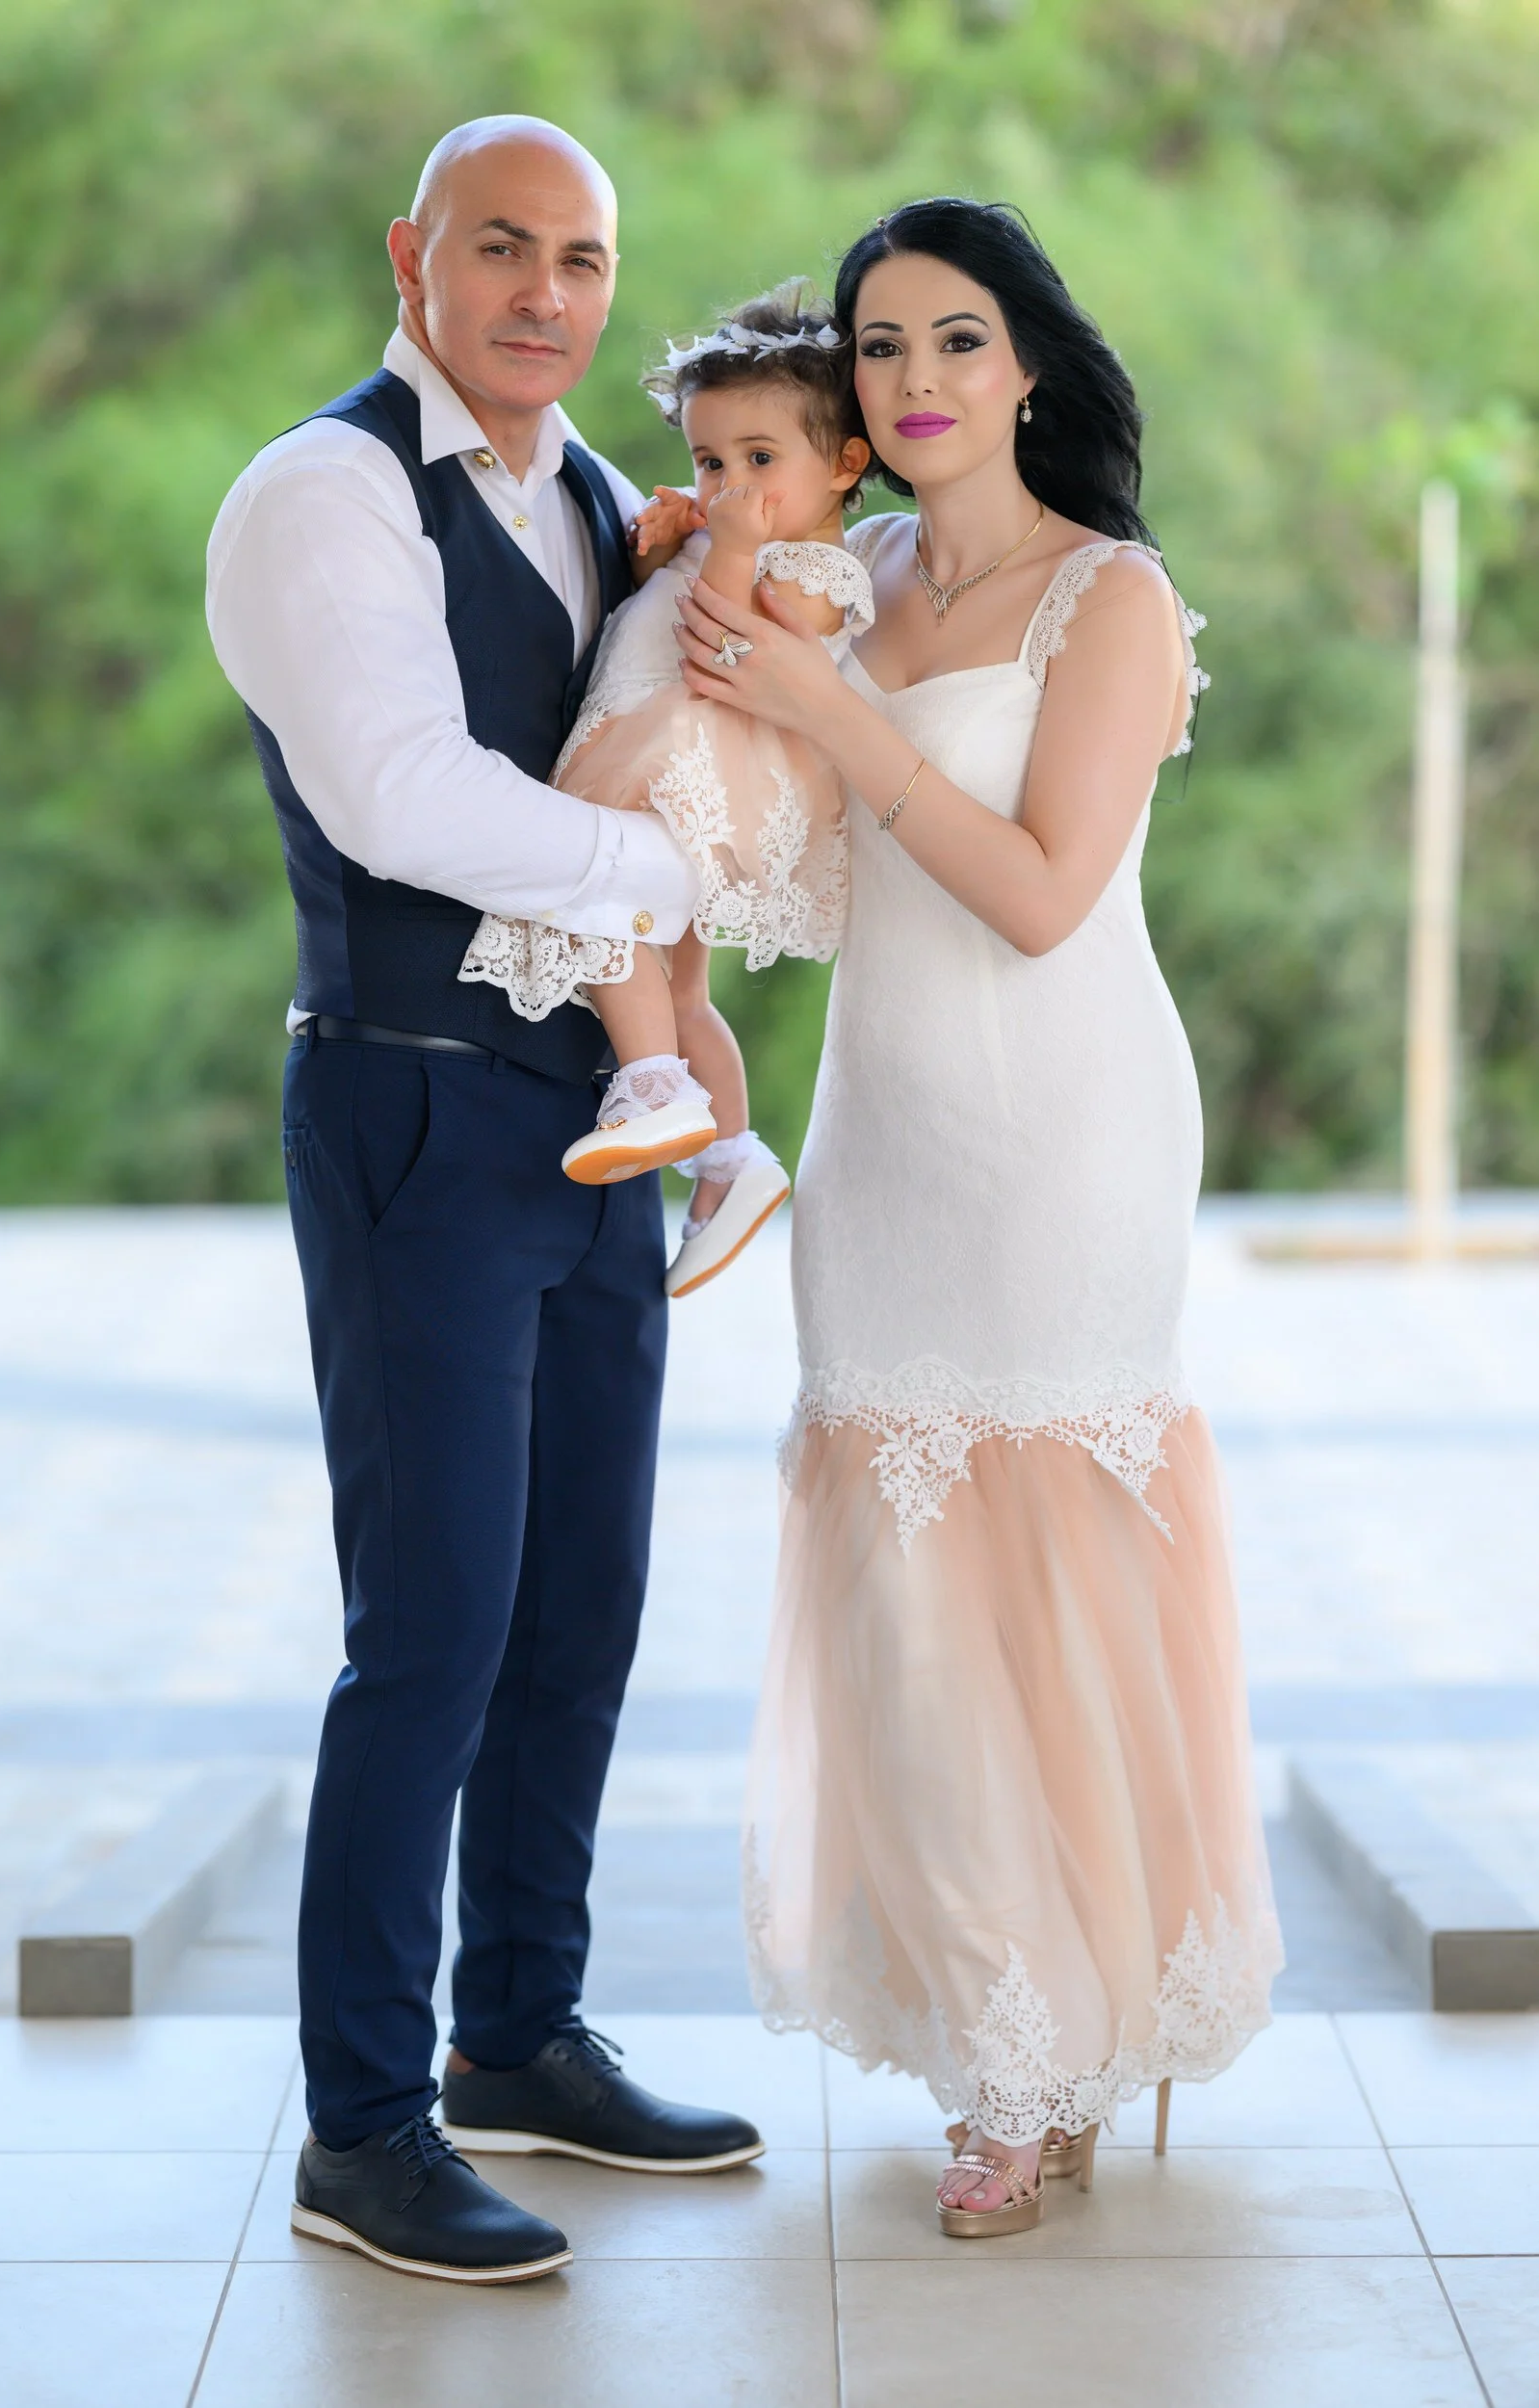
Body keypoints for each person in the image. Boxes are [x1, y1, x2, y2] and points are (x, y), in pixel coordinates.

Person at [670, 197, 1282, 2239]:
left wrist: (833, 718)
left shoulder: (1105, 598)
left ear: (1023, 360)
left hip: (1066, 1131)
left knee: (1059, 1579)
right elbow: (784, 866)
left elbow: (1034, 894)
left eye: (950, 339)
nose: (910, 381)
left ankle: (1057, 2055)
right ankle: (992, 2030)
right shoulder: (837, 577)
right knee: (905, 1596)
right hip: (881, 1129)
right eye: (873, 350)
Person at [205, 116, 763, 2288]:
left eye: (585, 258)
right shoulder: (320, 493)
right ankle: (364, 2122)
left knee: (577, 1613)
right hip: (416, 1112)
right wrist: (674, 880)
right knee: (427, 1632)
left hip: (591, 1133)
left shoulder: (607, 501)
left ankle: (519, 2030)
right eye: (503, 247)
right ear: (412, 256)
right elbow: (401, 795)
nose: (546, 290)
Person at [461, 279, 874, 1296]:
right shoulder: (728, 537)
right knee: (679, 985)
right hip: (664, 764)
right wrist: (661, 552)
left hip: (685, 772)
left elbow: (721, 649)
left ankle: (651, 1090)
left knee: (588, 886)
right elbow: (669, 602)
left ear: (845, 464)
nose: (729, 482)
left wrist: (721, 550)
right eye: (709, 459)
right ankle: (729, 1162)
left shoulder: (821, 573)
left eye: (761, 460)